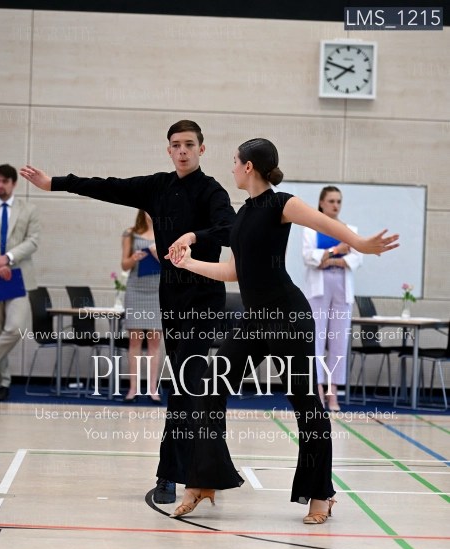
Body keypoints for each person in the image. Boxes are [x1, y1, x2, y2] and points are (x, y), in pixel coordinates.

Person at [166, 138, 398, 522]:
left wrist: (360, 243)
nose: (232, 167)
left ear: (249, 167)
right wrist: (188, 264)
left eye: (235, 161)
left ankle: (321, 494)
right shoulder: (243, 214)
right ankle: (203, 481)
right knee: (209, 386)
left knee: (305, 404)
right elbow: (233, 272)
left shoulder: (281, 203)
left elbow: (325, 224)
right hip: (254, 321)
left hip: (289, 317)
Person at [20, 119, 235, 504]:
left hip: (204, 298)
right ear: (168, 150)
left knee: (185, 384)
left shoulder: (212, 190)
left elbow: (228, 229)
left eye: (189, 144)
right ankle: (206, 471)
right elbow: (108, 186)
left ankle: (171, 475)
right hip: (171, 295)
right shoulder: (157, 186)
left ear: (202, 149)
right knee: (189, 386)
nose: (182, 151)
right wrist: (54, 183)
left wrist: (192, 236)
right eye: (176, 145)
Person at [302, 186, 363, 411]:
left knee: (338, 341)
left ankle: (333, 392)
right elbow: (309, 258)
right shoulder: (310, 229)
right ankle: (318, 390)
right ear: (321, 203)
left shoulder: (350, 230)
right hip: (318, 289)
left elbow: (357, 258)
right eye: (331, 201)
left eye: (338, 201)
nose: (335, 205)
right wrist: (337, 250)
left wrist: (329, 259)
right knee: (316, 340)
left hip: (342, 288)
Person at [0, 164, 40, 401]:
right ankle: (3, 382)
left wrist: (7, 258)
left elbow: (33, 241)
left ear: (13, 183)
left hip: (19, 276)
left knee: (15, 328)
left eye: (4, 181)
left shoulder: (28, 209)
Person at [121, 209, 162, 403]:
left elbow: (173, 263)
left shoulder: (166, 233)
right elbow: (124, 265)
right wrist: (134, 258)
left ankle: (153, 389)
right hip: (136, 290)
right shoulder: (130, 233)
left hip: (158, 292)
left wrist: (156, 254)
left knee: (154, 343)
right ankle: (133, 389)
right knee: (135, 342)